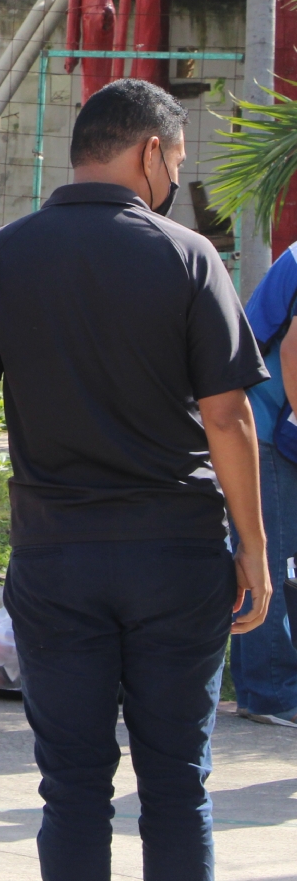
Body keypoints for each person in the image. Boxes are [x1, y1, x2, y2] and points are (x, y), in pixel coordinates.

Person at [0, 79, 273, 881]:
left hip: (57, 558)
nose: (175, 182)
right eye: (177, 161)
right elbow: (228, 420)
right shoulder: (188, 257)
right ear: (150, 150)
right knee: (176, 785)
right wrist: (253, 547)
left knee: (74, 786)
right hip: (177, 557)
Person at [230, 246, 297, 727]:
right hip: (267, 422)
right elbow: (293, 353)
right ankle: (270, 692)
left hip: (275, 419)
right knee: (270, 557)